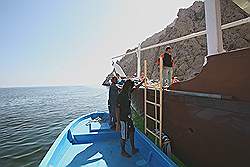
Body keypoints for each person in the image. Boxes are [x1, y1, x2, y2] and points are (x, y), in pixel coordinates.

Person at [117, 79, 144, 158]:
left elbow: (135, 88)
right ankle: (122, 151)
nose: (131, 88)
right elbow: (117, 109)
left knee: (132, 131)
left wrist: (142, 82)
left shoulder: (128, 92)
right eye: (130, 86)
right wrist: (118, 122)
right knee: (124, 136)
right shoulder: (121, 95)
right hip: (123, 119)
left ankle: (133, 148)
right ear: (128, 86)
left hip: (129, 118)